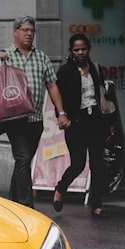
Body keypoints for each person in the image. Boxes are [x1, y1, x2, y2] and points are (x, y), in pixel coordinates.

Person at [0, 16, 66, 208]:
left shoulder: (41, 57)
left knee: (22, 161)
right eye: (25, 30)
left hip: (36, 119)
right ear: (15, 32)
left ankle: (12, 203)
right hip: (14, 119)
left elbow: (52, 85)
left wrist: (61, 112)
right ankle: (26, 206)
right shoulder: (6, 54)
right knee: (23, 158)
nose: (29, 34)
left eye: (32, 31)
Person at [51, 32, 110, 218]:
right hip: (75, 122)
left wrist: (110, 122)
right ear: (71, 51)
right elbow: (57, 97)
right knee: (78, 163)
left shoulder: (95, 68)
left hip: (95, 120)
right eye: (76, 50)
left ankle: (96, 205)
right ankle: (61, 188)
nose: (80, 52)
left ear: (88, 49)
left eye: (83, 49)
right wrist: (62, 117)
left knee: (97, 164)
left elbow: (103, 97)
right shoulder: (65, 71)